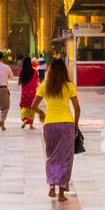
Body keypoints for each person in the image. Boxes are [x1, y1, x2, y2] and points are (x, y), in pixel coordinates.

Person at [30, 57, 81, 201]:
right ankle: (61, 193)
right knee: (65, 158)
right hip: (66, 124)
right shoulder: (69, 86)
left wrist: (41, 113)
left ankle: (51, 184)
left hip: (50, 124)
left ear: (50, 70)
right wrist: (75, 124)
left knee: (51, 156)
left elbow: (33, 106)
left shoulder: (44, 85)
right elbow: (77, 108)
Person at [18, 56, 39, 130]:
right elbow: (38, 80)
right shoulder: (35, 71)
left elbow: (20, 79)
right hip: (32, 92)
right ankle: (31, 124)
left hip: (24, 92)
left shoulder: (21, 71)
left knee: (23, 106)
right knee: (32, 107)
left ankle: (25, 119)